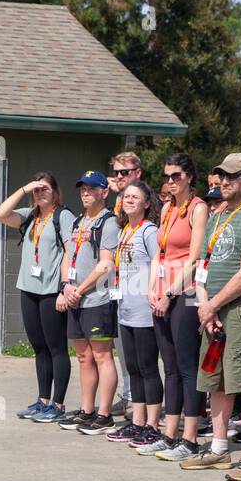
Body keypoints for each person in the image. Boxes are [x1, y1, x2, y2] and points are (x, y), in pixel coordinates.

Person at [178, 153, 241, 481]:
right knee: (215, 380)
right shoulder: (218, 217)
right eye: (222, 176)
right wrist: (206, 306)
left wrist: (212, 304)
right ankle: (219, 449)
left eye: (232, 176)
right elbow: (202, 267)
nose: (225, 181)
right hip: (213, 311)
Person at [144, 153, 210, 461]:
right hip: (162, 291)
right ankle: (169, 434)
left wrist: (170, 292)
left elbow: (195, 256)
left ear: (189, 177)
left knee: (186, 367)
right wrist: (151, 288)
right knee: (168, 366)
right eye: (167, 176)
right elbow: (160, 251)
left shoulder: (198, 209)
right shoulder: (168, 207)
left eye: (176, 176)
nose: (171, 181)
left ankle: (190, 438)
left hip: (186, 291)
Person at [0, 172, 75, 424]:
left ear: (55, 191)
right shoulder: (30, 216)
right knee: (39, 347)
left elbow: (71, 252)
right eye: (37, 190)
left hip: (52, 291)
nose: (40, 193)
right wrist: (23, 188)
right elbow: (0, 214)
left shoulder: (63, 216)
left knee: (56, 348)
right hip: (29, 288)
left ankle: (58, 404)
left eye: (45, 189)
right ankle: (42, 401)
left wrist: (66, 287)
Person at [56, 170, 120, 435]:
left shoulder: (109, 222)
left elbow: (106, 264)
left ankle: (105, 414)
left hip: (97, 299)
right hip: (75, 298)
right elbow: (66, 257)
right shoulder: (77, 222)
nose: (85, 192)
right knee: (83, 357)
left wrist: (79, 290)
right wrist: (64, 288)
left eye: (92, 188)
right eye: (82, 188)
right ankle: (87, 410)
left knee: (102, 355)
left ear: (104, 192)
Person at [108, 181, 164, 445]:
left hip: (144, 310)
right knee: (132, 367)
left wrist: (154, 291)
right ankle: (137, 421)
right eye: (126, 196)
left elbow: (159, 262)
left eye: (135, 197)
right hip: (124, 309)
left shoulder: (149, 231)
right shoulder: (123, 231)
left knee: (147, 367)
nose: (129, 200)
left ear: (146, 203)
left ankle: (152, 424)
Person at [108, 151, 143, 416]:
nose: (120, 177)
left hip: (140, 286)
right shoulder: (117, 202)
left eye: (125, 172)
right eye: (117, 172)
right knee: (122, 346)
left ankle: (142, 403)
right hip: (119, 283)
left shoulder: (141, 200)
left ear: (137, 173)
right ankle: (129, 395)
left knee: (142, 352)